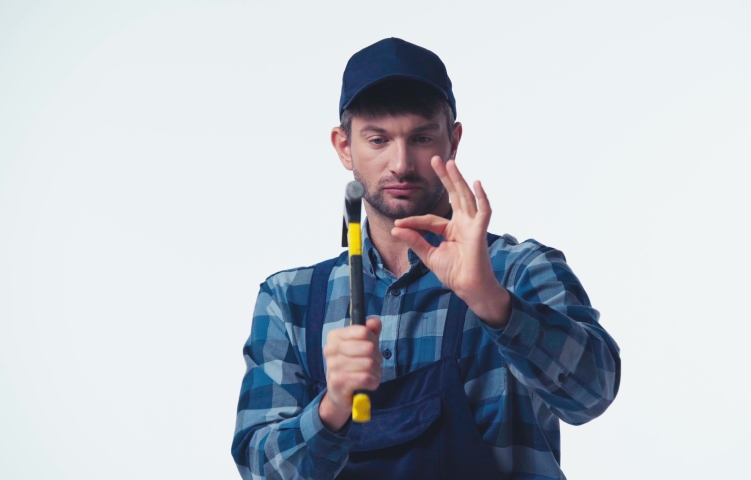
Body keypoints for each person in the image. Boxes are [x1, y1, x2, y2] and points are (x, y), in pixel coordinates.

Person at [231, 37, 621, 480]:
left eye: (421, 137)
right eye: (378, 139)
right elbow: (261, 469)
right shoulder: (291, 301)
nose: (400, 163)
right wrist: (332, 406)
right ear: (344, 147)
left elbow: (594, 394)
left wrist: (493, 302)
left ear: (452, 140)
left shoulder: (519, 269)